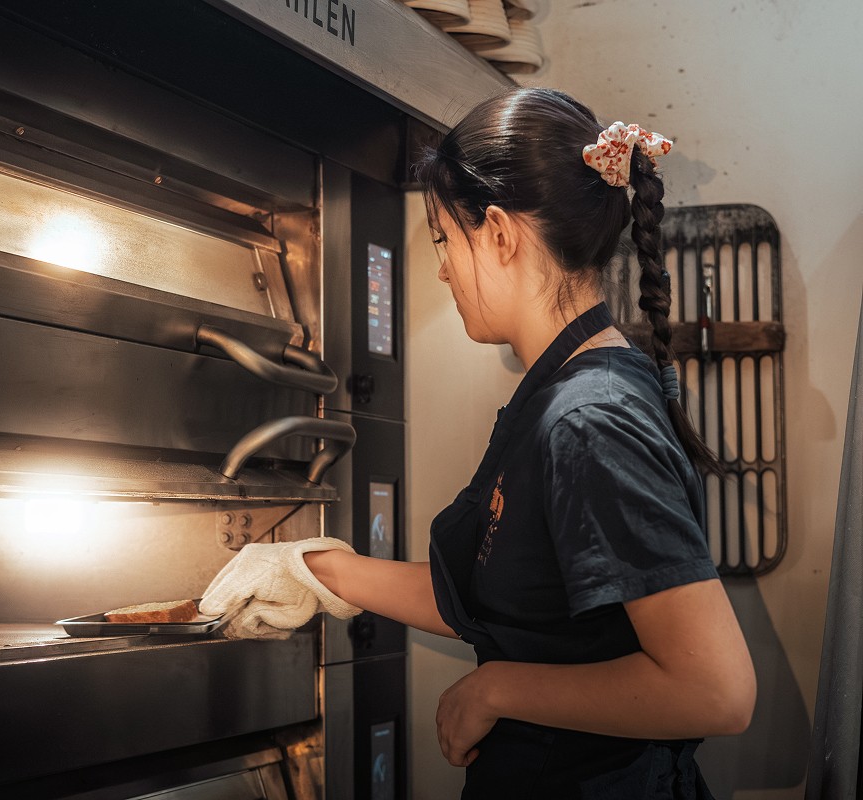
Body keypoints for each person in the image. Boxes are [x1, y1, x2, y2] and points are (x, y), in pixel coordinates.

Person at [201, 87, 755, 798]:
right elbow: (516, 600)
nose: (440, 268)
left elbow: (715, 690)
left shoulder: (589, 421)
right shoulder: (564, 391)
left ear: (498, 233)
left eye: (443, 239)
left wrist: (495, 689)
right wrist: (320, 570)